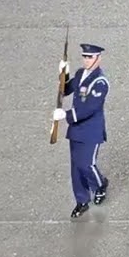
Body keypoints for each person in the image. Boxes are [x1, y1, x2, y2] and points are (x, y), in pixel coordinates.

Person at [52, 43, 110, 218]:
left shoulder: (100, 82)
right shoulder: (80, 74)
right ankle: (81, 200)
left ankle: (100, 185)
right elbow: (67, 89)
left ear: (98, 58)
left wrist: (66, 115)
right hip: (76, 130)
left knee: (86, 164)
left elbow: (90, 107)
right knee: (76, 167)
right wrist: (64, 73)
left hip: (91, 130)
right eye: (84, 57)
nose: (86, 60)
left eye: (90, 57)